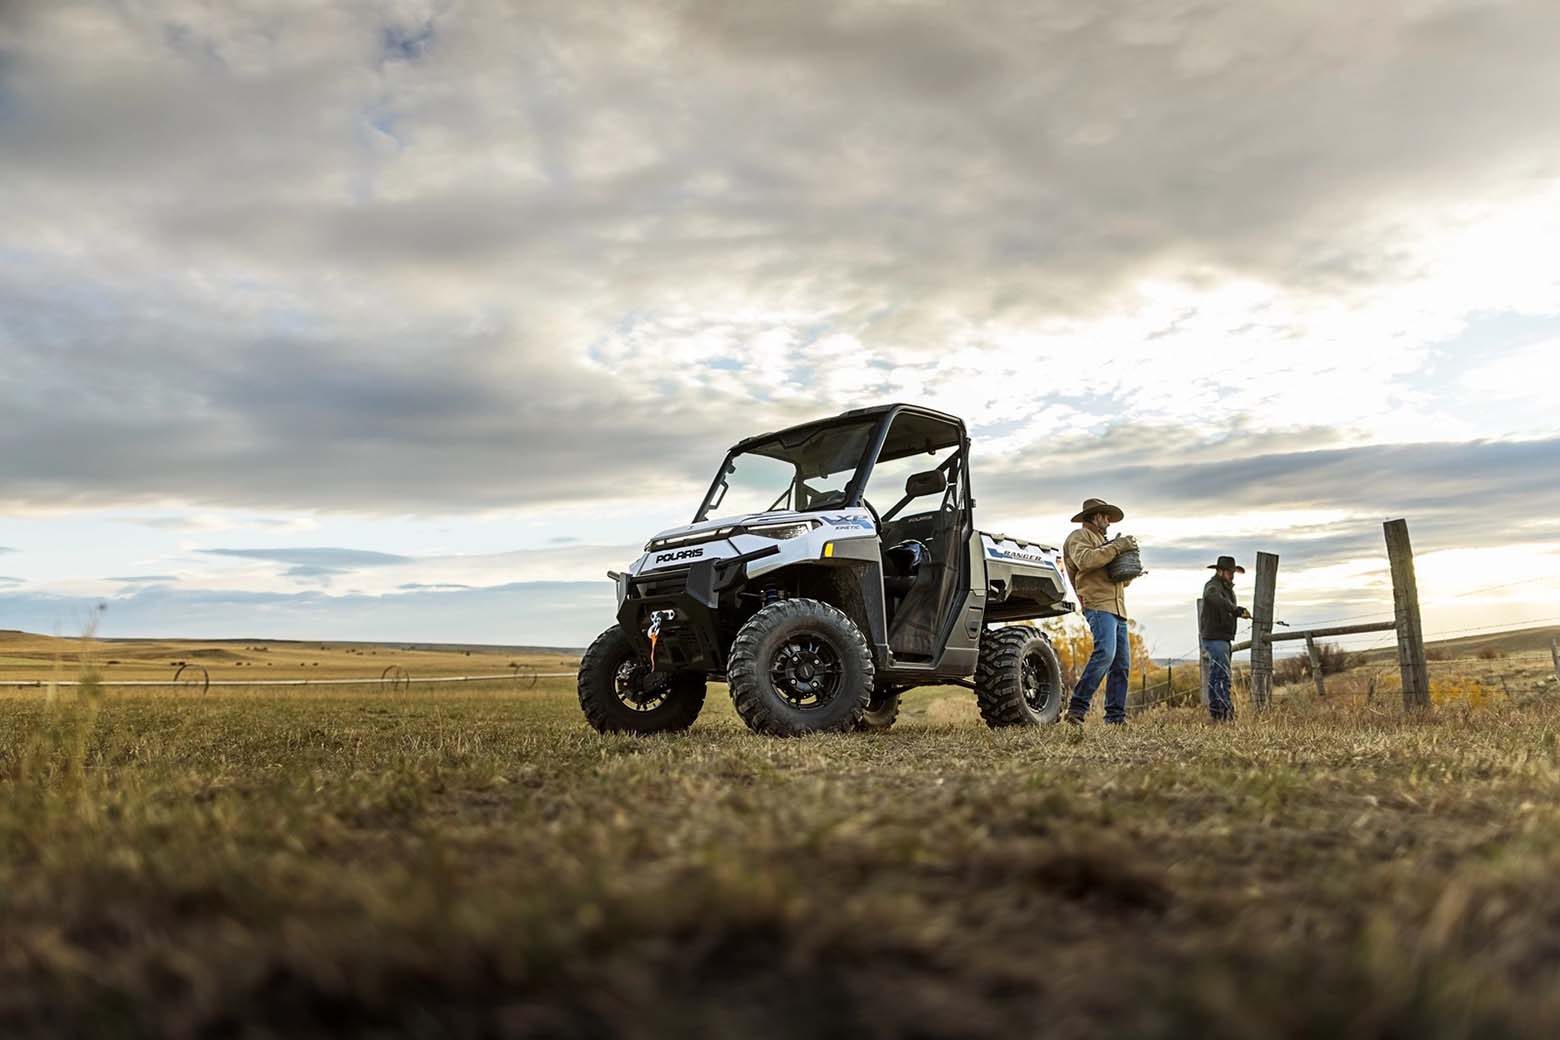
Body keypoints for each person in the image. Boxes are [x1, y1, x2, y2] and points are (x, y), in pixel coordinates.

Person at [1062, 498, 1138, 726]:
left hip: (1118, 608)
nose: (1108, 521)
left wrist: (1128, 571)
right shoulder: (1078, 537)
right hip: (1097, 604)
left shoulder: (1105, 542)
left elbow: (1117, 581)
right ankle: (1077, 708)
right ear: (1095, 517)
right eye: (1106, 517)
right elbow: (1085, 561)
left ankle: (1115, 718)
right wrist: (1117, 547)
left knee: (1122, 664)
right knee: (1105, 653)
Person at [1200, 555, 1251, 722]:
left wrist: (1236, 611)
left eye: (1233, 572)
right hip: (1216, 638)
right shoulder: (1213, 587)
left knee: (1216, 675)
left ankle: (1217, 714)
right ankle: (1226, 714)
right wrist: (1235, 609)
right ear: (1220, 571)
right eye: (1230, 572)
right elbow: (1212, 598)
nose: (1232, 575)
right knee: (1222, 675)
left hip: (1221, 637)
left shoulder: (1226, 588)